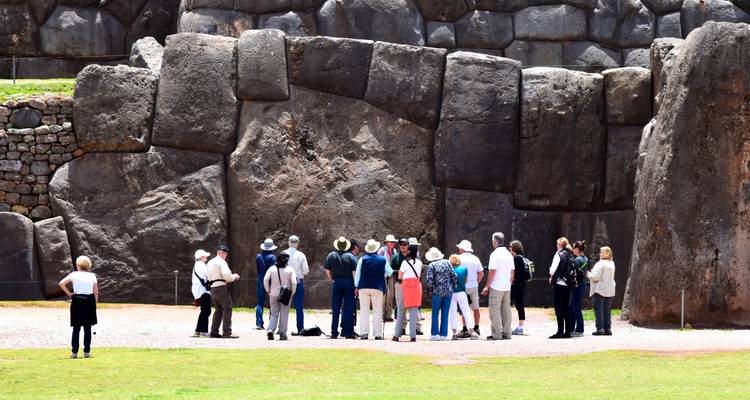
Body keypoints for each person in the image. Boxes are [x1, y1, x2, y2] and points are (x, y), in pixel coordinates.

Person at [59, 255, 98, 359]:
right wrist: (95, 304)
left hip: (77, 300)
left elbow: (61, 283)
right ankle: (87, 352)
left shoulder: (74, 274)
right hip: (89, 301)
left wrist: (70, 294)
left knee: (76, 328)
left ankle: (74, 353)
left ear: (78, 265)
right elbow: (95, 292)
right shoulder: (92, 276)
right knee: (88, 328)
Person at [355, 239, 392, 340]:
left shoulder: (362, 260)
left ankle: (364, 333)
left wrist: (356, 286)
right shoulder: (382, 260)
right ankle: (377, 334)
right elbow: (389, 272)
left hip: (363, 287)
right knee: (377, 310)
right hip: (378, 287)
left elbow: (358, 274)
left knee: (364, 311)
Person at [482, 232, 515, 340]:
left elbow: (492, 271)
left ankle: (497, 334)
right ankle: (507, 333)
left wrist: (487, 286)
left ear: (494, 241)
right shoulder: (508, 254)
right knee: (506, 309)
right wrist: (509, 283)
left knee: (494, 310)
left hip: (496, 286)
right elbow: (512, 271)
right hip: (506, 286)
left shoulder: (495, 254)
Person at [324, 236, 358, 339]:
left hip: (337, 281)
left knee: (335, 308)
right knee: (348, 308)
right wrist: (356, 285)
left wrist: (332, 279)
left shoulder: (331, 255)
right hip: (349, 282)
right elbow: (354, 272)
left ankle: (334, 332)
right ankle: (348, 332)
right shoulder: (351, 257)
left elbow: (327, 270)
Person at [207, 244, 240, 338]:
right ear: (225, 254)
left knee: (219, 309)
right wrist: (234, 276)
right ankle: (227, 332)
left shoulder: (210, 262)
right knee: (228, 307)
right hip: (221, 287)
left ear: (217, 252)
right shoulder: (222, 262)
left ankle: (214, 331)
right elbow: (227, 276)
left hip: (212, 288)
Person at [391, 238, 423, 335]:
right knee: (401, 306)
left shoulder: (416, 258)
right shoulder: (395, 257)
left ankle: (417, 327)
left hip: (412, 285)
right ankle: (402, 327)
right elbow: (392, 271)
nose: (402, 246)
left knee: (414, 306)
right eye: (400, 244)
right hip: (400, 284)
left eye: (404, 244)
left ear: (408, 246)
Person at [425, 248, 457, 341]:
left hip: (437, 292)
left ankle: (435, 334)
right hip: (448, 291)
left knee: (435, 313)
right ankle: (444, 335)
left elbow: (429, 280)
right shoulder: (447, 262)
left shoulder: (431, 265)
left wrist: (432, 287)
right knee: (445, 313)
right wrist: (452, 287)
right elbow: (454, 276)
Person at [263, 252, 297, 340]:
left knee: (274, 313)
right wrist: (292, 292)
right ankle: (282, 334)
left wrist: (268, 290)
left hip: (273, 293)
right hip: (285, 294)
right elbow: (294, 282)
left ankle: (270, 330)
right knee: (284, 314)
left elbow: (265, 279)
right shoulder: (290, 269)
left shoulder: (272, 269)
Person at [283, 235, 309, 335]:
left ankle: (282, 328)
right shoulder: (301, 255)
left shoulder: (284, 253)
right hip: (298, 281)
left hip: (286, 282)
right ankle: (300, 328)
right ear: (297, 243)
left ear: (289, 242)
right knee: (299, 307)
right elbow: (306, 271)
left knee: (284, 305)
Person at [448, 254, 478, 340]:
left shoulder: (449, 270)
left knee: (452, 313)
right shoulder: (464, 269)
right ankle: (472, 332)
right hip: (461, 292)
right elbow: (466, 281)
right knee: (466, 312)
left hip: (452, 293)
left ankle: (454, 333)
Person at [549, 237, 574, 339]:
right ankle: (568, 331)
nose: (556, 245)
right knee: (566, 307)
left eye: (557, 243)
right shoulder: (569, 254)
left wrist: (551, 275)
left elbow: (552, 270)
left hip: (559, 284)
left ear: (560, 245)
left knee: (559, 308)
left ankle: (560, 331)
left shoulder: (559, 254)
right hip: (568, 284)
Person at [457, 240, 483, 337]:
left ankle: (465, 329)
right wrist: (476, 282)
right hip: (474, 286)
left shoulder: (459, 258)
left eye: (460, 248)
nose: (459, 249)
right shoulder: (476, 258)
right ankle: (476, 328)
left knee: (464, 308)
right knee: (476, 308)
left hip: (463, 286)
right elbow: (481, 273)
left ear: (462, 248)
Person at [588, 246, 616, 336]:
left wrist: (588, 274)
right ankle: (608, 329)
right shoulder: (612, 263)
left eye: (602, 252)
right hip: (610, 290)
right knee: (607, 310)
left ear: (607, 254)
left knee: (599, 310)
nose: (600, 254)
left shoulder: (600, 263)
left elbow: (595, 277)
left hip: (600, 289)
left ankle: (600, 329)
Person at [255, 238, 277, 330]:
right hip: (271, 281)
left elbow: (258, 269)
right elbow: (273, 271)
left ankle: (259, 323)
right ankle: (271, 323)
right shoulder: (273, 257)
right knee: (272, 303)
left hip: (260, 280)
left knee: (260, 303)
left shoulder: (258, 256)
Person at [570, 241, 589, 337]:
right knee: (575, 307)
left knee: (576, 307)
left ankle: (580, 329)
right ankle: (573, 328)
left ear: (577, 248)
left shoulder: (577, 260)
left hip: (577, 286)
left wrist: (574, 283)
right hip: (583, 285)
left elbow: (574, 274)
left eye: (573, 248)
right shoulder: (585, 258)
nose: (572, 250)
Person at [191, 249, 212, 337]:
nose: (206, 257)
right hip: (203, 291)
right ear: (201, 257)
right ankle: (204, 331)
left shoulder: (197, 264)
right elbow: (207, 275)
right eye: (204, 256)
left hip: (200, 291)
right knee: (206, 311)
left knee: (204, 311)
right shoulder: (201, 265)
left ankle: (198, 330)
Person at [509, 240, 528, 336]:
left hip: (516, 284)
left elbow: (513, 272)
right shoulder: (521, 258)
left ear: (514, 248)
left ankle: (507, 326)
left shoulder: (516, 259)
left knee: (507, 304)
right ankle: (520, 327)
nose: (509, 248)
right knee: (520, 305)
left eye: (510, 246)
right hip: (522, 284)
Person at [377, 234, 398, 322]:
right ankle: (381, 315)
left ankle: (388, 315)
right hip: (382, 274)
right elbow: (379, 261)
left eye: (393, 242)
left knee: (390, 295)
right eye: (391, 242)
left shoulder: (395, 251)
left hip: (391, 275)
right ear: (387, 243)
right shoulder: (382, 250)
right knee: (383, 295)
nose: (393, 243)